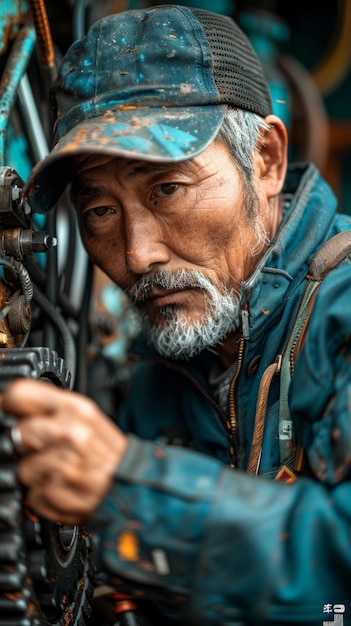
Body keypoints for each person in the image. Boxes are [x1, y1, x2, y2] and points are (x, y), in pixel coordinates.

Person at [2, 4, 351, 625]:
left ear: (266, 161)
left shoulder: (340, 315)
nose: (137, 255)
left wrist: (131, 492)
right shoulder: (161, 370)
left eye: (167, 188)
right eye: (101, 211)